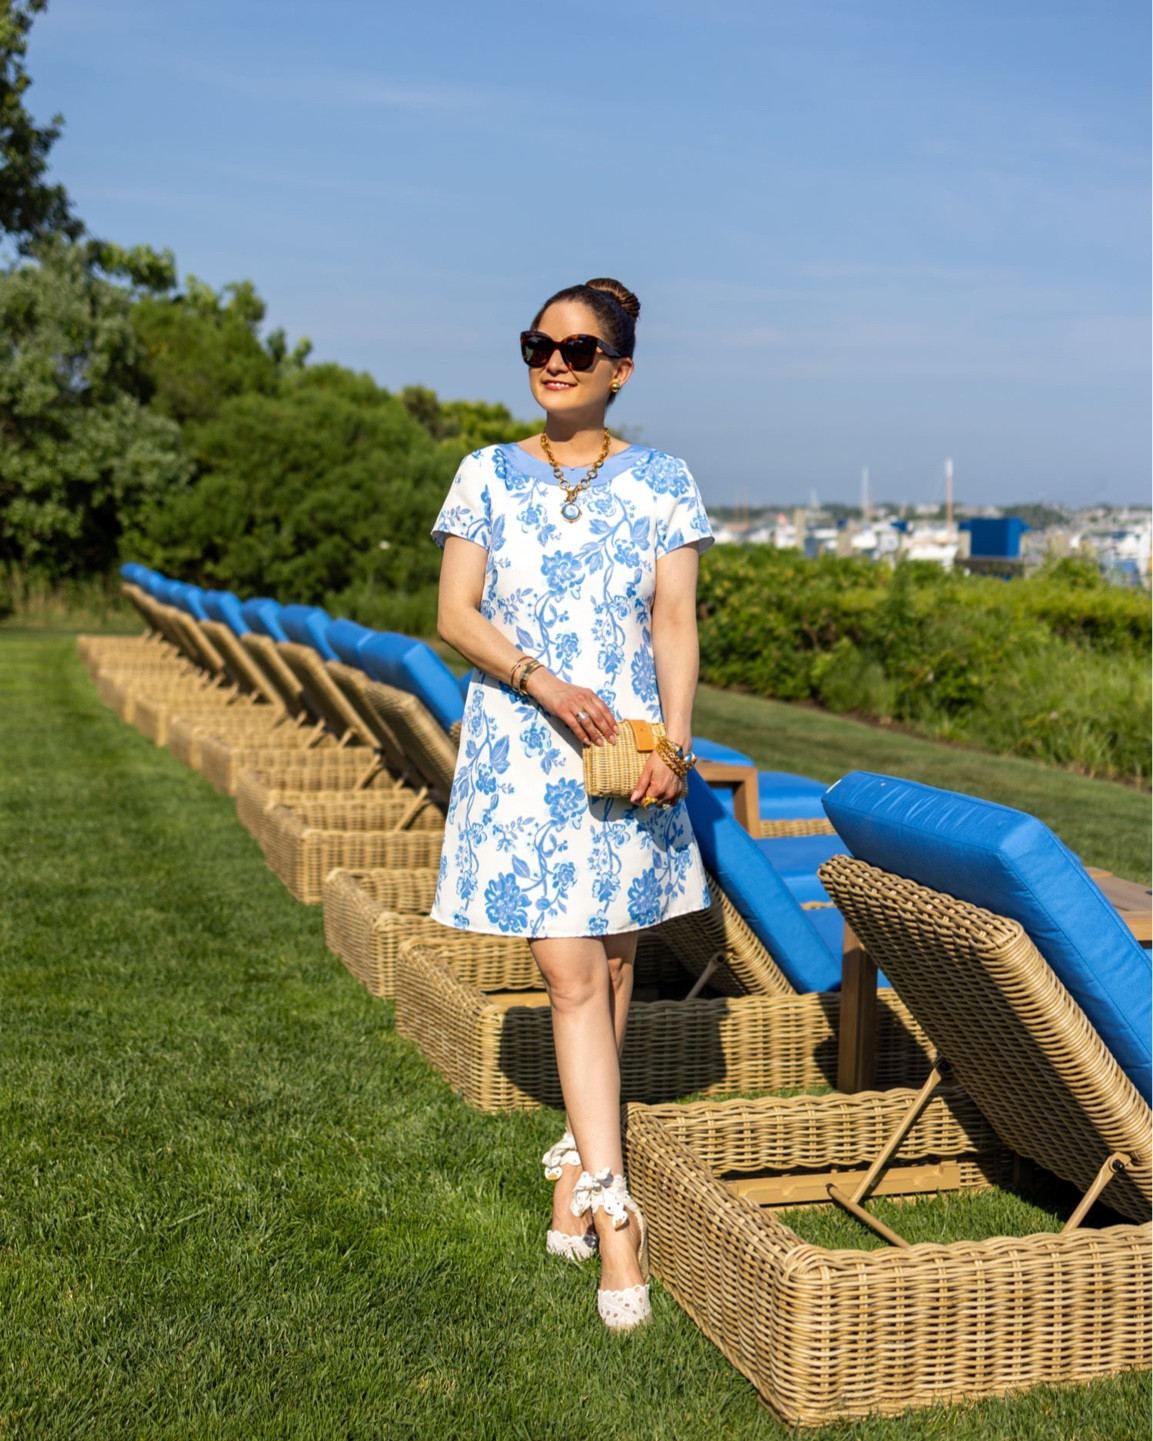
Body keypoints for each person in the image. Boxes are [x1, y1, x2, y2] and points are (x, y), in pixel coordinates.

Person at [431, 277, 713, 1330]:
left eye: (578, 348)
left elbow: (674, 623)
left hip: (627, 755)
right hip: (520, 748)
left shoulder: (664, 484)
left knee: (615, 956)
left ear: (620, 368)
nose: (554, 361)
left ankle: (571, 1167)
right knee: (566, 969)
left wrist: (673, 745)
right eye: (537, 345)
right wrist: (542, 681)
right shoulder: (486, 475)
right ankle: (618, 1213)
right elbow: (457, 613)